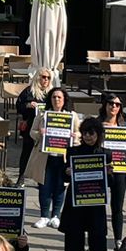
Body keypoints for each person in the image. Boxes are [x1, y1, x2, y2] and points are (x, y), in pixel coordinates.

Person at [60, 116, 114, 251]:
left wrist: (110, 173)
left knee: (98, 239)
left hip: (95, 202)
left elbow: (111, 182)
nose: (89, 137)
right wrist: (67, 172)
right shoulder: (73, 151)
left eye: (92, 133)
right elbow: (65, 177)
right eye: (85, 133)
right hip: (76, 203)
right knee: (75, 240)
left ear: (99, 134)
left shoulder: (106, 154)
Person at [28, 84, 74, 228]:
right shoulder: (42, 115)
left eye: (59, 97)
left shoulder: (71, 116)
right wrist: (39, 134)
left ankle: (56, 215)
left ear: (64, 99)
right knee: (45, 186)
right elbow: (32, 132)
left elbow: (79, 134)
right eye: (54, 97)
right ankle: (44, 216)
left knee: (60, 187)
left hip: (63, 158)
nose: (56, 100)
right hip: (45, 157)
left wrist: (74, 136)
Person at [96, 93, 126, 236]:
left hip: (119, 170)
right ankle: (97, 237)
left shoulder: (124, 126)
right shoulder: (97, 124)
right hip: (101, 169)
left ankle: (118, 238)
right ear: (105, 105)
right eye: (111, 103)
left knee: (117, 207)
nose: (114, 106)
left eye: (117, 104)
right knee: (98, 206)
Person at [14, 68, 54, 178]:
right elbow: (18, 106)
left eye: (48, 78)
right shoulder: (29, 91)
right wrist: (27, 105)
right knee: (26, 153)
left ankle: (42, 178)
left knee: (44, 156)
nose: (46, 80)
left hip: (47, 128)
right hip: (30, 126)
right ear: (38, 77)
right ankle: (21, 178)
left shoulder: (52, 93)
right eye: (43, 77)